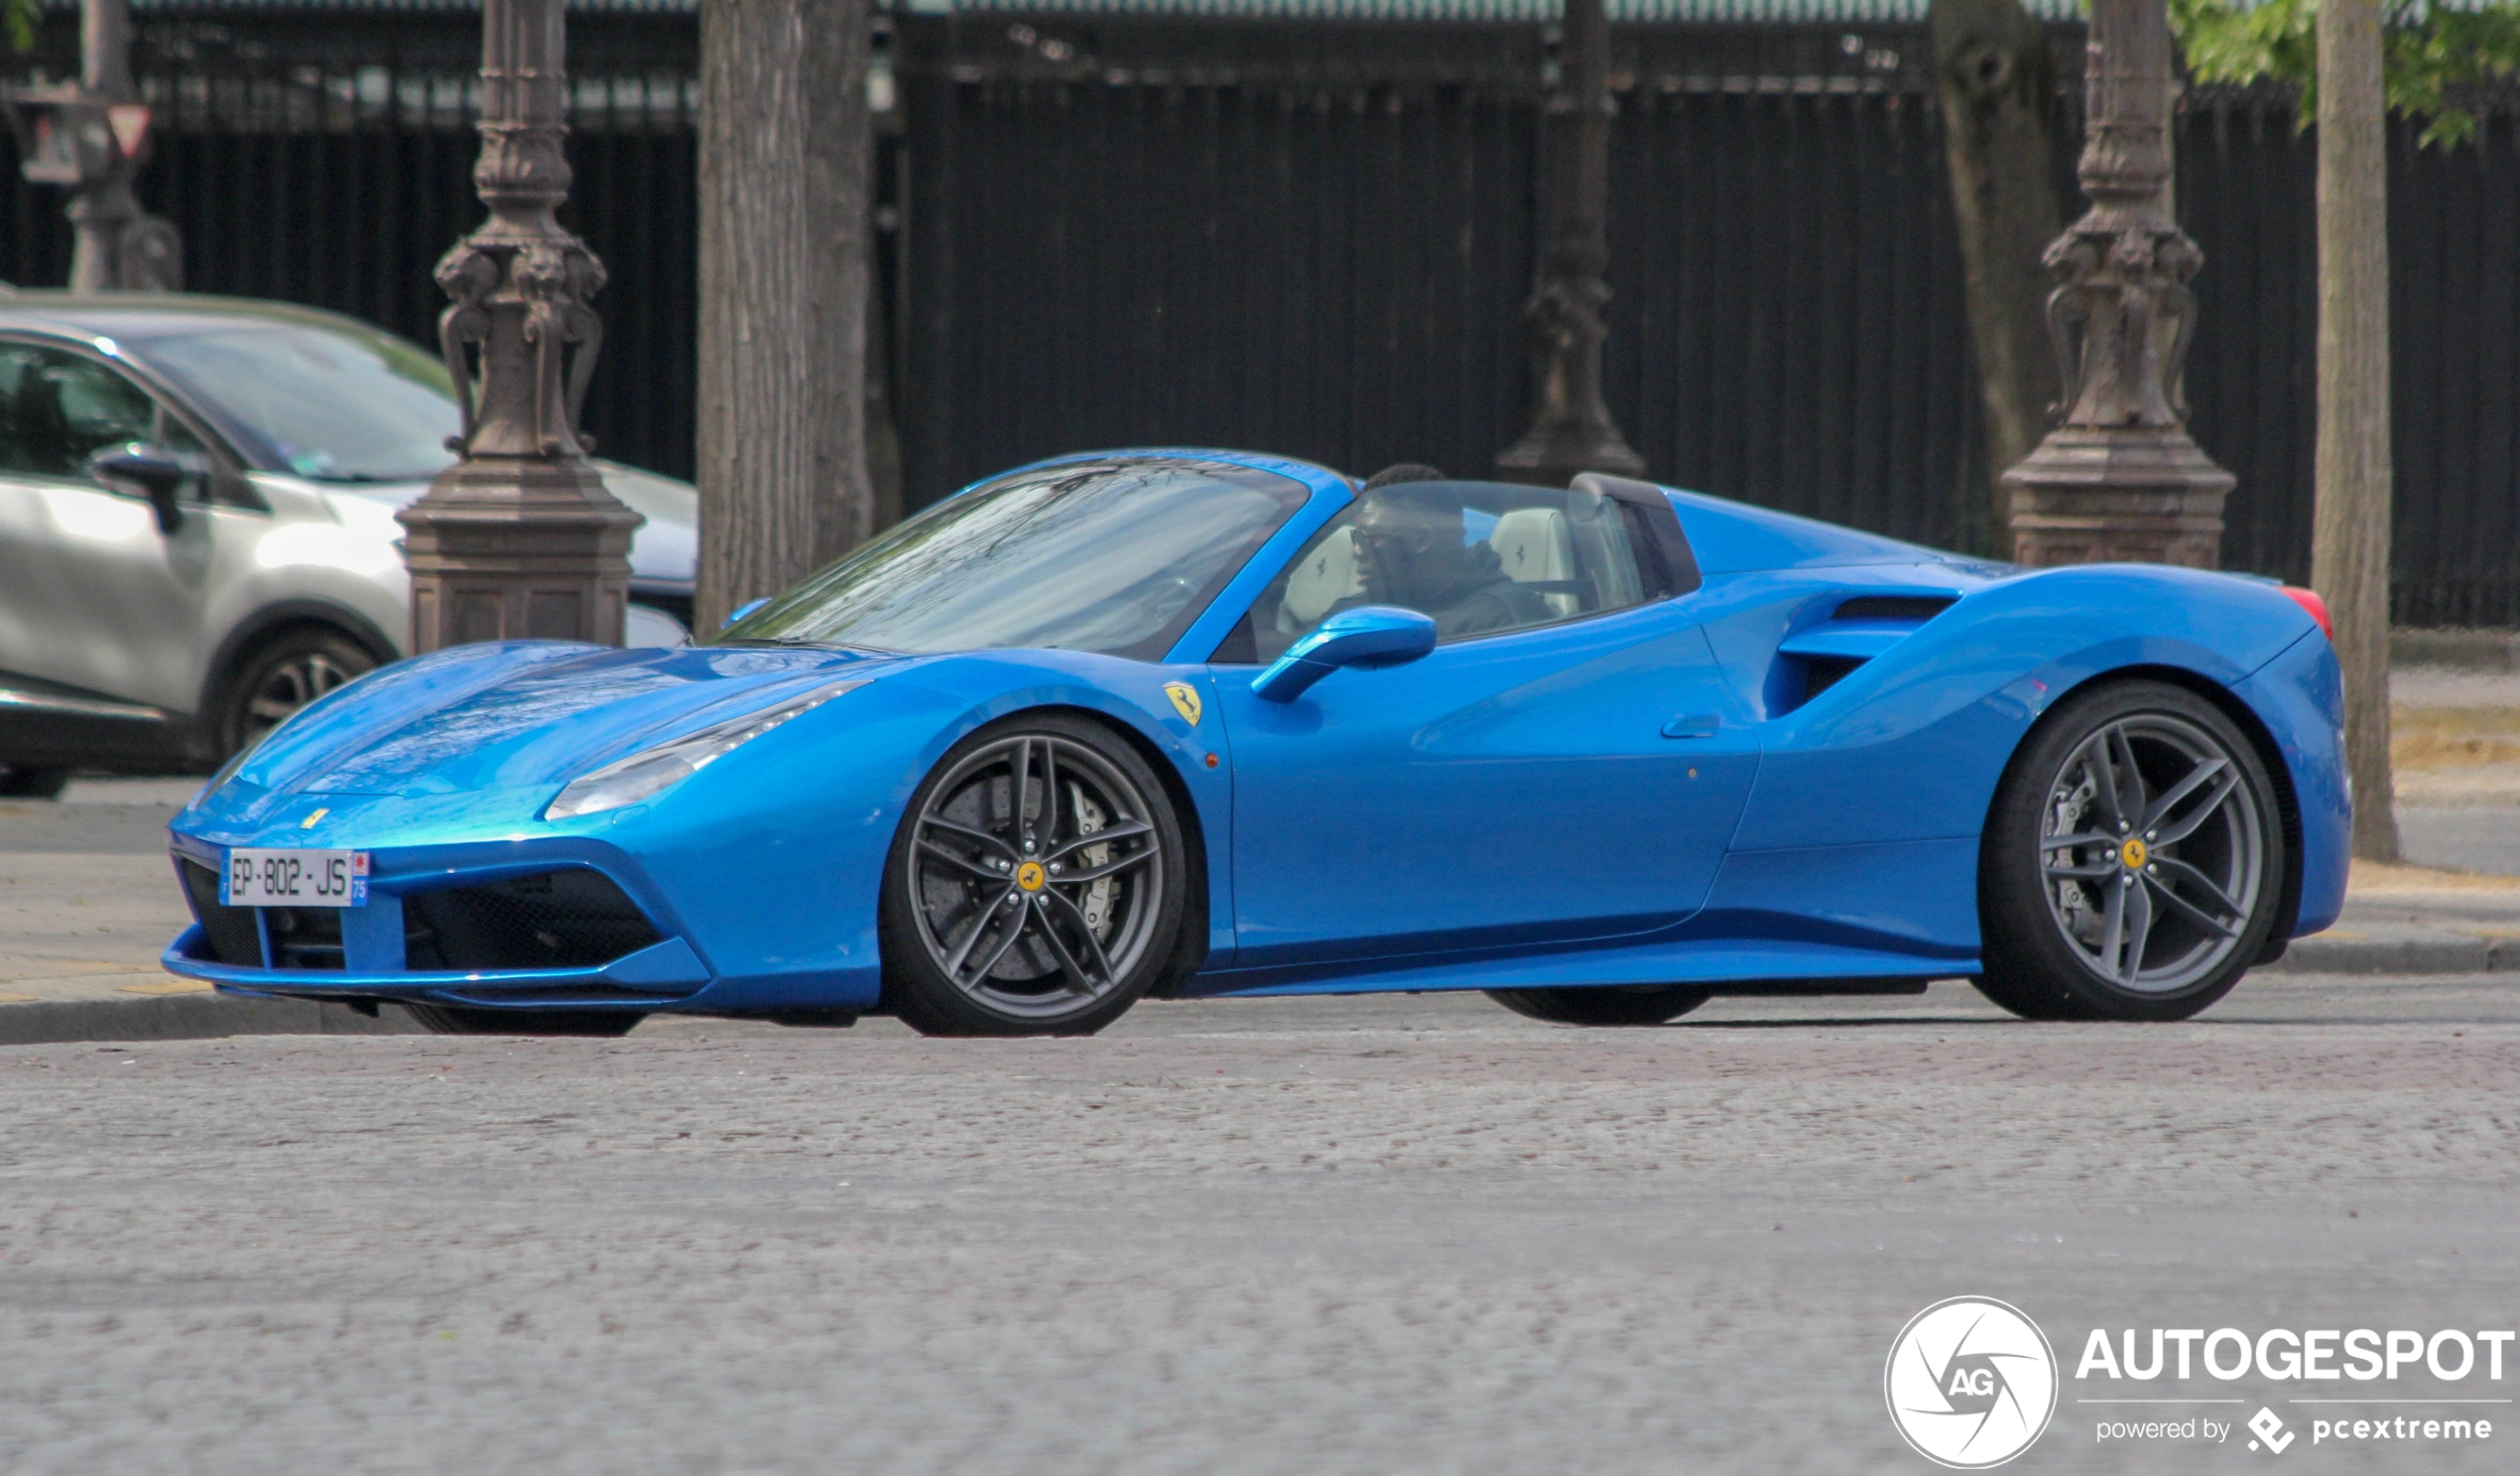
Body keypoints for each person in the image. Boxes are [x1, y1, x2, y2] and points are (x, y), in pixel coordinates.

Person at [1346, 474, 1554, 640]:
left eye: (1369, 538)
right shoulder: (1353, 612)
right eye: (1356, 537)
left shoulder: (1509, 621)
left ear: (1421, 540)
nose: (1357, 552)